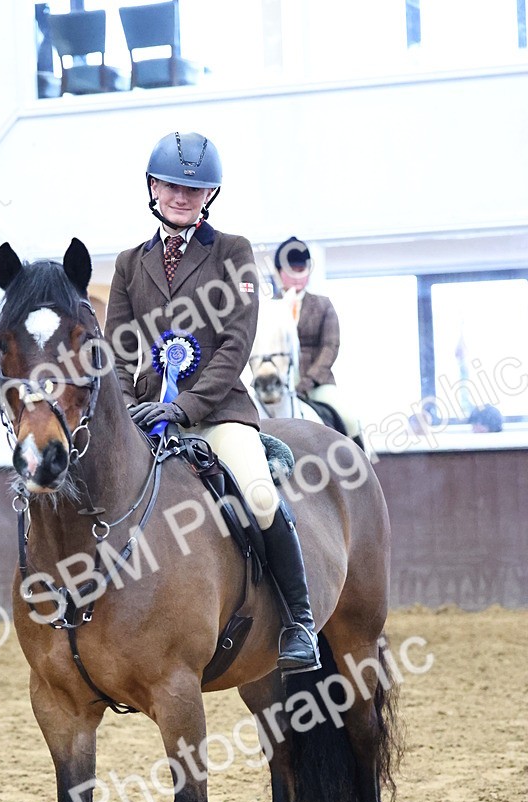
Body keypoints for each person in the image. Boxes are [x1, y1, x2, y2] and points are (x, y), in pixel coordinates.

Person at [104, 131, 320, 674]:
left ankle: (298, 620)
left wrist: (187, 407)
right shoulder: (130, 264)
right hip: (147, 418)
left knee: (259, 496)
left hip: (218, 412)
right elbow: (118, 345)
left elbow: (236, 341)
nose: (182, 196)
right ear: (153, 187)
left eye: (194, 189)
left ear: (209, 196)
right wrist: (132, 408)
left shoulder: (233, 252)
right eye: (173, 185)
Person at [273, 236, 363, 444]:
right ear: (279, 273)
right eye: (290, 270)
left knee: (350, 420)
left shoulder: (323, 305)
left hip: (317, 384)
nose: (296, 276)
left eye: (300, 269)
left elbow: (330, 347)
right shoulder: (268, 308)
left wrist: (309, 379)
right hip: (276, 386)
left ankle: (362, 466)